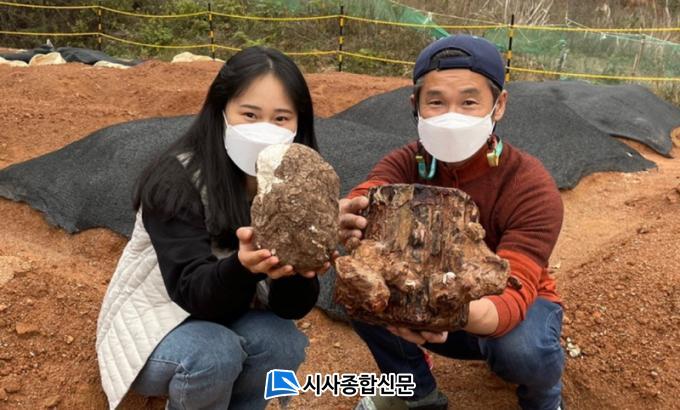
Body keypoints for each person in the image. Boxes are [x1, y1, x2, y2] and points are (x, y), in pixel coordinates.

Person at [339, 35, 565, 410]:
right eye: (436, 102)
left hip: (506, 306)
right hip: (428, 294)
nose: (451, 115)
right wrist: (349, 211)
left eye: (469, 102)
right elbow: (373, 189)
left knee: (523, 350)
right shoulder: (407, 162)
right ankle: (417, 391)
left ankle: (543, 398)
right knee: (359, 287)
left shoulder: (529, 184)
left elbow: (514, 290)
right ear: (415, 105)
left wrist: (445, 309)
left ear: (499, 105)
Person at [96, 46, 329, 410]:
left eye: (281, 118)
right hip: (160, 326)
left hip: (229, 316)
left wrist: (299, 267)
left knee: (281, 342)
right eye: (249, 114)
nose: (264, 130)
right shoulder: (177, 179)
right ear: (221, 111)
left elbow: (290, 308)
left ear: (300, 123)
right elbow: (192, 292)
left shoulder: (291, 187)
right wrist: (242, 268)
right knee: (214, 354)